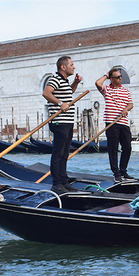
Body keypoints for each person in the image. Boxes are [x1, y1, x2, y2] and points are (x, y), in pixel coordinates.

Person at [42, 55, 83, 195]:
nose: (74, 67)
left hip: (67, 122)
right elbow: (46, 93)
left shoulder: (64, 81)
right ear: (63, 67)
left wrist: (76, 83)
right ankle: (56, 183)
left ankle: (64, 181)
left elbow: (68, 93)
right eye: (71, 64)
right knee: (58, 152)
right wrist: (59, 103)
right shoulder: (55, 79)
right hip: (59, 121)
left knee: (65, 153)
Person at [95, 67, 134, 182]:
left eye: (120, 76)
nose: (120, 78)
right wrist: (106, 75)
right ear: (112, 79)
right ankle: (116, 173)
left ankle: (123, 171)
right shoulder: (106, 89)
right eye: (117, 77)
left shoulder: (125, 90)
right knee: (113, 149)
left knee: (127, 147)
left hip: (123, 122)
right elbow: (98, 83)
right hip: (111, 123)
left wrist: (126, 109)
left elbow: (131, 104)